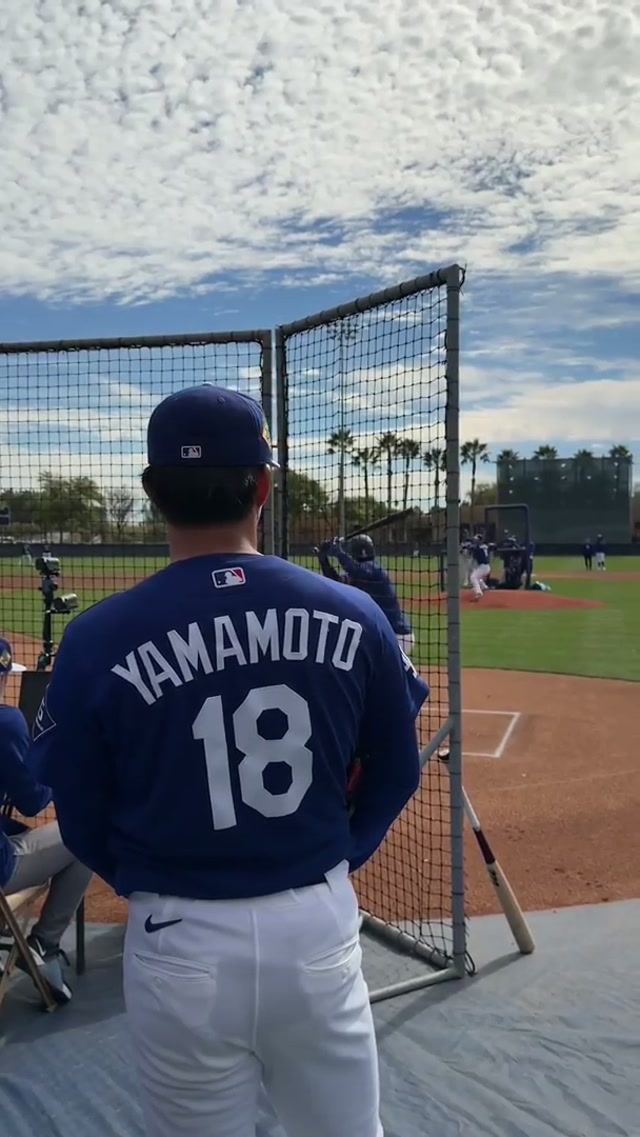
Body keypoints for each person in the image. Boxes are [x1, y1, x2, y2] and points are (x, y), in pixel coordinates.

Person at [30, 385, 429, 1137]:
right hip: (314, 918)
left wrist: (147, 880)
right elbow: (398, 767)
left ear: (153, 493)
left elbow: (78, 811)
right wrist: (342, 852)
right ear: (264, 487)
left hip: (177, 932)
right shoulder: (353, 612)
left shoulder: (97, 637)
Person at [0, 637, 92, 1004]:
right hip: (2, 869)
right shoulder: (6, 722)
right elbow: (33, 801)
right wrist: (56, 767)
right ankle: (44, 944)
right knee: (85, 832)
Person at [316, 534, 415, 655]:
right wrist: (323, 560)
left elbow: (356, 570)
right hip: (384, 635)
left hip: (397, 636)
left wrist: (338, 552)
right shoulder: (361, 575)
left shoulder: (373, 570)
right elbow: (337, 582)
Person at [469, 534, 491, 600]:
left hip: (484, 566)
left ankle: (478, 592)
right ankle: (484, 586)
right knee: (478, 576)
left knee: (473, 577)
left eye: (477, 540)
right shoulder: (484, 546)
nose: (475, 541)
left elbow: (473, 551)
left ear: (480, 540)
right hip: (485, 566)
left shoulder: (478, 548)